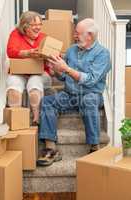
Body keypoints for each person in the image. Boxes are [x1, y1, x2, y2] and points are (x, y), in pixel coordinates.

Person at [37, 18, 111, 166]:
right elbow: (64, 76)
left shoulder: (102, 54)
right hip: (70, 94)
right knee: (47, 101)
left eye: (77, 33)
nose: (74, 36)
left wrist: (66, 69)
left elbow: (91, 80)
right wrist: (55, 70)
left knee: (89, 101)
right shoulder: (71, 50)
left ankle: (94, 147)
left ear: (89, 35)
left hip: (91, 94)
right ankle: (51, 148)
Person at [6, 11, 51, 124]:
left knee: (34, 84)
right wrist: (28, 53)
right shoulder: (15, 34)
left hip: (40, 73)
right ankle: (16, 120)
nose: (38, 27)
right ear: (25, 26)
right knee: (13, 85)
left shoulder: (44, 37)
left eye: (40, 24)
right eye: (34, 25)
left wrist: (48, 57)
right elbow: (11, 52)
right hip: (19, 73)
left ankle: (36, 117)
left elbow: (56, 55)